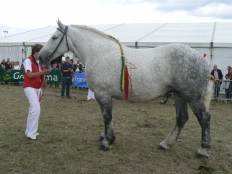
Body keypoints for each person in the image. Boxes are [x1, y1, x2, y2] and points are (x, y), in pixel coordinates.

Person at [23, 44, 50, 140]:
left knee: (32, 110)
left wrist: (43, 80)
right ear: (36, 52)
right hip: (30, 87)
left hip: (37, 87)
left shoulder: (39, 62)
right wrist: (43, 73)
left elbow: (38, 74)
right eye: (40, 51)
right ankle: (31, 133)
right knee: (35, 109)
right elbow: (29, 75)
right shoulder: (28, 60)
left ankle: (29, 131)